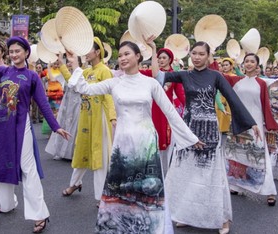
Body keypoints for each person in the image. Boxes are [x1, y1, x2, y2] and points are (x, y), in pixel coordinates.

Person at [66, 40, 204, 234]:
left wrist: (191, 137)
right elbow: (85, 89)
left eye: (126, 54)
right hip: (122, 143)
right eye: (120, 55)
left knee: (146, 191)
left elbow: (170, 112)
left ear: (138, 56)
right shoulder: (115, 82)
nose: (122, 58)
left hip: (146, 143)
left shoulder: (150, 84)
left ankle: (150, 228)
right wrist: (75, 65)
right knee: (121, 191)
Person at [0, 37, 69, 234]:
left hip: (22, 124)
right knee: (2, 161)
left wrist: (56, 127)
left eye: (18, 51)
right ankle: (7, 204)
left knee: (28, 168)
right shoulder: (2, 71)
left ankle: (40, 214)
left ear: (26, 53)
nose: (14, 54)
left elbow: (42, 104)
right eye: (11, 51)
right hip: (2, 125)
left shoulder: (32, 76)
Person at [154, 41, 259, 233]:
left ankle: (222, 219)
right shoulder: (184, 75)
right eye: (194, 53)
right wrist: (153, 49)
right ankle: (186, 214)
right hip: (188, 130)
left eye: (201, 54)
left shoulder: (216, 76)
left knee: (211, 175)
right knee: (186, 173)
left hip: (210, 129)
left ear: (208, 56)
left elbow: (232, 98)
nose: (197, 57)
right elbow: (157, 75)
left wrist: (251, 123)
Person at [61, 38, 116, 207]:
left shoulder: (104, 71)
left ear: (97, 51)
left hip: (100, 118)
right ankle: (75, 183)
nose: (85, 53)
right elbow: (73, 83)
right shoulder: (86, 72)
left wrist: (113, 116)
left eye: (88, 49)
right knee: (82, 150)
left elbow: (108, 95)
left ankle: (101, 195)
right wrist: (63, 65)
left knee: (99, 156)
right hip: (85, 116)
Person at [225, 53, 278, 206]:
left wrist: (270, 125)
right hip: (238, 121)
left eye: (252, 62)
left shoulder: (261, 83)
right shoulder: (236, 80)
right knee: (236, 153)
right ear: (243, 64)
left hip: (255, 123)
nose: (249, 64)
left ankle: (270, 191)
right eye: (246, 61)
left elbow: (265, 105)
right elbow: (217, 75)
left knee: (260, 155)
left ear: (257, 65)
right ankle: (236, 186)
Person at [139, 47, 186, 175]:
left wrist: (188, 109)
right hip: (151, 110)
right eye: (159, 58)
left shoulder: (173, 75)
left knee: (165, 142)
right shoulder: (152, 73)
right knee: (151, 140)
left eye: (164, 58)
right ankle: (150, 172)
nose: (161, 60)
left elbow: (181, 95)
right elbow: (137, 73)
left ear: (170, 60)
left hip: (165, 112)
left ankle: (165, 174)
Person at [45, 55, 82, 161]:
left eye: (72, 62)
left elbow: (74, 84)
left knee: (75, 127)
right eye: (68, 62)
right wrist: (49, 67)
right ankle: (60, 151)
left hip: (77, 104)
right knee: (63, 125)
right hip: (66, 103)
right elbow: (52, 79)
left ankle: (73, 153)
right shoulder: (65, 74)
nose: (69, 64)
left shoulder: (81, 74)